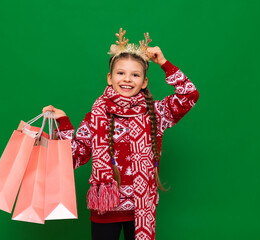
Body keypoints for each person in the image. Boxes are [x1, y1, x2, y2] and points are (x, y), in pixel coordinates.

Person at [42, 28, 199, 240]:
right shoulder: (95, 116)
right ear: (110, 78)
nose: (127, 79)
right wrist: (63, 122)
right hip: (105, 209)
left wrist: (164, 63)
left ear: (144, 82)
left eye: (135, 74)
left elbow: (189, 94)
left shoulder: (157, 113)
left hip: (141, 209)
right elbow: (75, 155)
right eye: (121, 73)